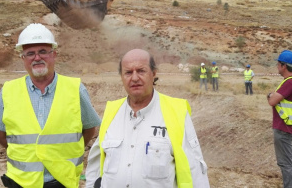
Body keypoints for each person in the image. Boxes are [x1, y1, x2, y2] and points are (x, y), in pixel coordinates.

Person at [0, 23, 101, 188]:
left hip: (62, 181)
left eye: (43, 51)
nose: (37, 58)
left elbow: (90, 129)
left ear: (54, 54)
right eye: (30, 53)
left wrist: (67, 151)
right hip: (21, 183)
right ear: (23, 58)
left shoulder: (75, 89)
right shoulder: (8, 91)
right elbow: (0, 136)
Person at [85, 49, 210, 188]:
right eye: (128, 72)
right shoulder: (111, 112)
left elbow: (195, 172)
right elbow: (95, 167)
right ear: (121, 76)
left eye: (141, 71)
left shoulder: (176, 112)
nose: (134, 78)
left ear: (154, 73)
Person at [267, 50, 292, 188]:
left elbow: (272, 101)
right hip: (288, 127)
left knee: (285, 163)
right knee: (291, 162)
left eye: (278, 64)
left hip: (283, 128)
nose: (277, 66)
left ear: (284, 66)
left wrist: (270, 95)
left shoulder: (290, 83)